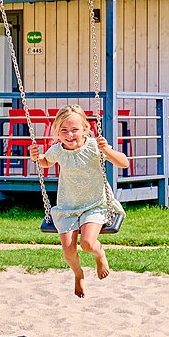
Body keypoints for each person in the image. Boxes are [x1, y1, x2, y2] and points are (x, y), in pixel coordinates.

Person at [29, 105, 129, 298]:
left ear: (85, 129)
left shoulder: (93, 146)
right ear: (57, 132)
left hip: (95, 205)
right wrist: (37, 157)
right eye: (64, 130)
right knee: (68, 250)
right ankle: (78, 273)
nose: (69, 134)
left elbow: (123, 162)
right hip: (68, 206)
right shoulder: (57, 150)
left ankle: (100, 255)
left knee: (88, 244)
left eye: (75, 129)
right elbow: (46, 162)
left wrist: (107, 150)